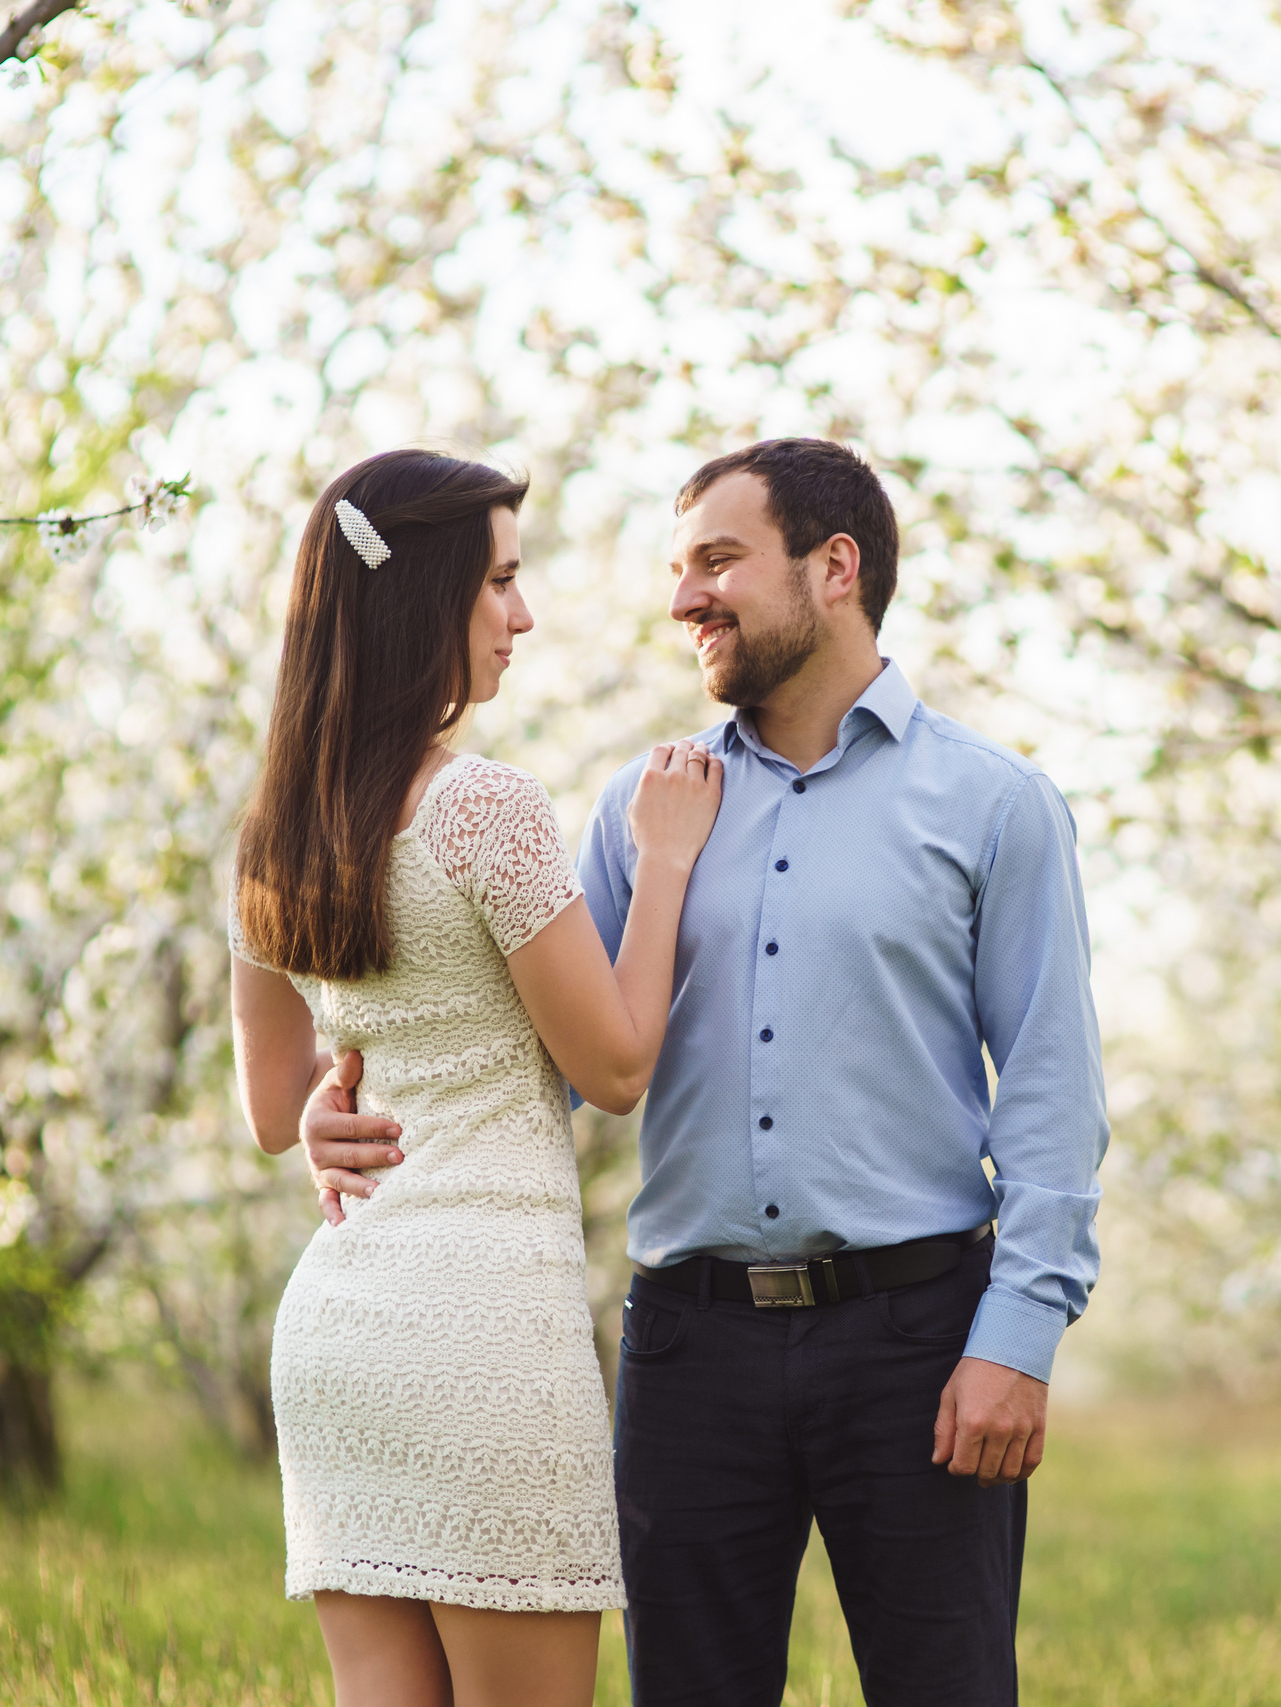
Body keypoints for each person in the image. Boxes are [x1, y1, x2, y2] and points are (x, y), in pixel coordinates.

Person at [307, 437, 1109, 1706]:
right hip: (687, 1352)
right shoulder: (642, 810)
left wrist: (1018, 1335)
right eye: (679, 570)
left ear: (833, 568)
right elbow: (546, 1065)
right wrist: (347, 1099)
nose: (685, 600)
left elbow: (1056, 1095)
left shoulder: (994, 807)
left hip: (914, 1335)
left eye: (718, 563)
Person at [228, 448, 722, 1707]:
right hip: (483, 1336)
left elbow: (269, 1109)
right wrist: (662, 862)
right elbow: (612, 1066)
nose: (524, 614)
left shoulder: (278, 823)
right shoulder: (481, 809)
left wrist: (320, 1116)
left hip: (342, 1333)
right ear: (422, 597)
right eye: (500, 582)